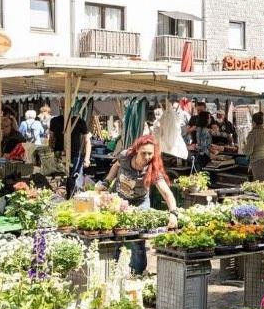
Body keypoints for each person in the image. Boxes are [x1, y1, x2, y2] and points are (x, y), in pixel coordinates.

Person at [101, 135, 179, 274]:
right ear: (137, 150)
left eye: (150, 153)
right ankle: (111, 271)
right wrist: (107, 182)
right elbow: (116, 165)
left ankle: (137, 273)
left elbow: (167, 193)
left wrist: (173, 213)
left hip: (140, 202)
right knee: (116, 237)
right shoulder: (125, 156)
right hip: (119, 199)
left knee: (138, 239)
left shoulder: (153, 169)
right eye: (144, 153)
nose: (147, 157)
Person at [49, 112, 91, 198]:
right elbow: (51, 139)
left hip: (75, 156)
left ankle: (73, 199)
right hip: (59, 155)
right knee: (60, 182)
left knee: (74, 180)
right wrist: (50, 154)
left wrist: (87, 158)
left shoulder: (79, 121)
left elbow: (87, 141)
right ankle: (62, 200)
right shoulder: (55, 121)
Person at [242, 112, 264, 181]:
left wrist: (244, 147)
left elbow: (248, 152)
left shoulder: (252, 134)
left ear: (253, 122)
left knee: (260, 187)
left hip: (259, 163)